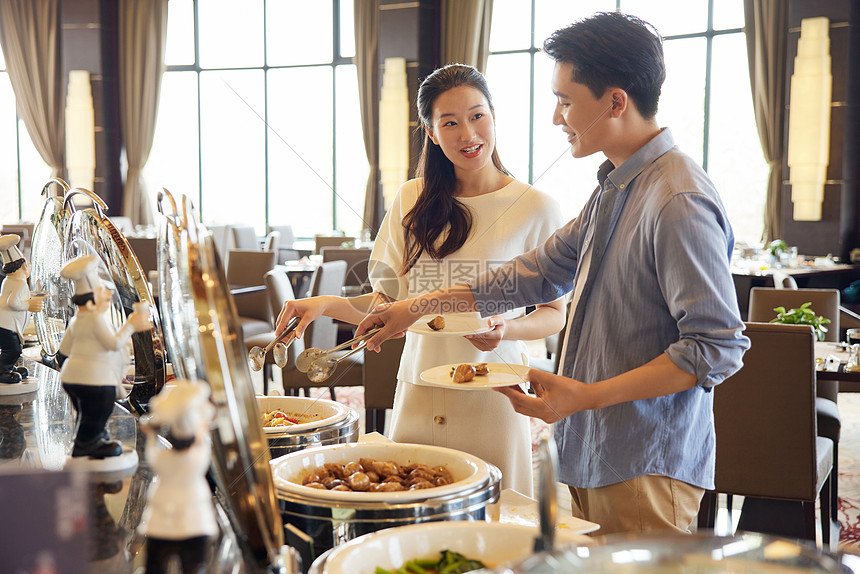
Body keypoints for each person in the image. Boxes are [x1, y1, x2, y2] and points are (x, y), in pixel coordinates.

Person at [354, 12, 750, 535]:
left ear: (614, 101)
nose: (557, 117)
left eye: (565, 100)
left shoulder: (676, 198)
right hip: (591, 449)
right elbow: (529, 276)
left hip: (642, 460)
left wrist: (583, 395)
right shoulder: (616, 187)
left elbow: (715, 348)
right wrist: (416, 306)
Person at [277, 64, 566, 495]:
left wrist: (508, 327)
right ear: (431, 132)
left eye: (477, 116)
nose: (468, 134)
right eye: (450, 122)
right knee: (410, 500)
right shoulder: (412, 198)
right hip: (419, 385)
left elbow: (554, 314)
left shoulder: (536, 206)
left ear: (493, 116)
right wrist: (323, 304)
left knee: (493, 514)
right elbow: (388, 302)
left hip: (493, 390)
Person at [59, 255, 151, 459]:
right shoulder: (94, 320)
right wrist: (131, 325)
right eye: (103, 291)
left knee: (87, 414)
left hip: (71, 378)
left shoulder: (77, 321)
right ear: (91, 302)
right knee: (99, 408)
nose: (108, 294)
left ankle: (92, 436)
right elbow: (113, 344)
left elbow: (63, 351)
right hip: (92, 380)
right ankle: (87, 444)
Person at [139, 379, 217, 574]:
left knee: (155, 564)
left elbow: (152, 455)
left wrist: (151, 435)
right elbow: (203, 439)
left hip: (161, 520)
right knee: (194, 564)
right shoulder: (197, 459)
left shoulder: (163, 460)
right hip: (194, 521)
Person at [0, 234, 46, 384]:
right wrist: (29, 304)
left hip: (6, 324)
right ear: (23, 267)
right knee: (12, 350)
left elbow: (17, 297)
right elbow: (13, 302)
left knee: (11, 348)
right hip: (7, 325)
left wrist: (33, 294)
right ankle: (3, 371)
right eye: (27, 264)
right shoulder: (19, 283)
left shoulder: (11, 280)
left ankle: (9, 368)